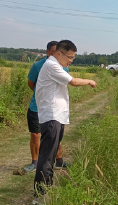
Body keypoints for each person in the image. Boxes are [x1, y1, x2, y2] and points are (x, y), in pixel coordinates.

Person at [34, 40, 97, 195]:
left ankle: (47, 186)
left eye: (73, 58)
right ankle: (40, 192)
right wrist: (90, 81)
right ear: (59, 53)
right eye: (69, 57)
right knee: (47, 156)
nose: (71, 61)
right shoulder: (52, 65)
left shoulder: (56, 65)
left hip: (56, 116)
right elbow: (73, 81)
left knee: (51, 154)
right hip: (51, 117)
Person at [23, 41, 68, 173]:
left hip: (53, 108)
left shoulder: (64, 66)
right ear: (48, 51)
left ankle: (59, 161)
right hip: (36, 107)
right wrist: (40, 96)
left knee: (55, 135)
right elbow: (31, 83)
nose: (56, 54)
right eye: (54, 51)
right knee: (36, 135)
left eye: (58, 52)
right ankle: (35, 162)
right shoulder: (38, 66)